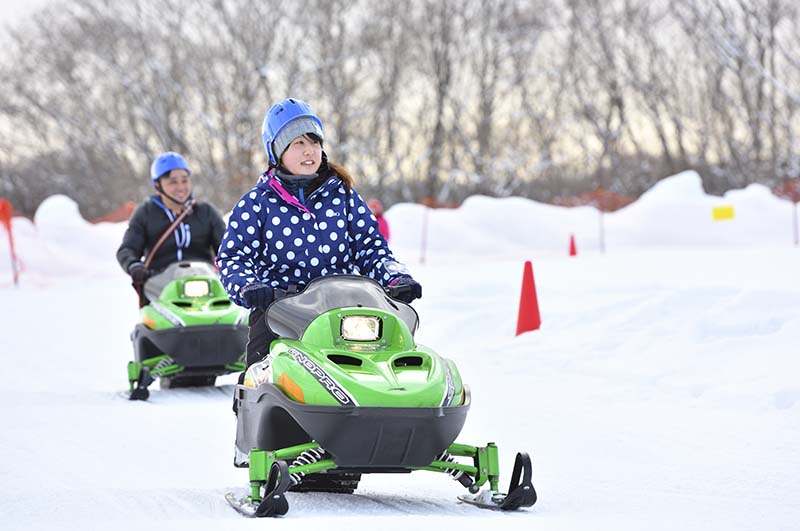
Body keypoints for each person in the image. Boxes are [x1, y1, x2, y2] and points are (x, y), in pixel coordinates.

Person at [217, 98, 421, 372]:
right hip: (280, 311)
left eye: (314, 142)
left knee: (383, 359)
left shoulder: (344, 197)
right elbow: (234, 257)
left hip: (343, 310)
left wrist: (395, 277)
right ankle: (256, 411)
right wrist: (249, 286)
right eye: (297, 143)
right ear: (277, 151)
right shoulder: (256, 203)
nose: (309, 151)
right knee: (259, 377)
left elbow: (372, 249)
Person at [117, 152, 226, 305]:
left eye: (185, 180)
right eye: (173, 182)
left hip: (206, 284)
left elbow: (228, 248)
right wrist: (134, 265)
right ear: (158, 185)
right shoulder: (145, 213)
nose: (181, 187)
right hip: (159, 289)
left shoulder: (206, 212)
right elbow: (127, 249)